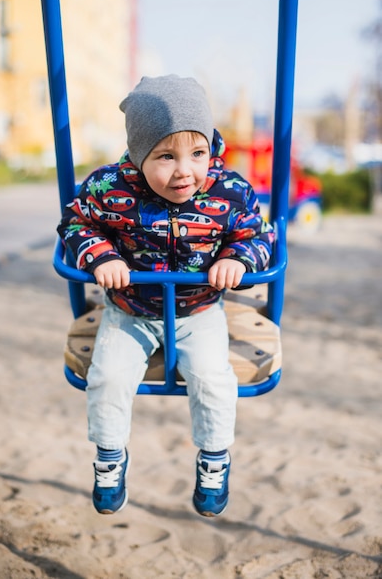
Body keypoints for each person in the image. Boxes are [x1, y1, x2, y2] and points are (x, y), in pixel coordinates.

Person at [57, 74, 274, 517]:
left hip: (198, 308)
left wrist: (239, 258)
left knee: (213, 378)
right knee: (108, 377)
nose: (185, 170)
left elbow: (258, 232)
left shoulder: (228, 190)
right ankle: (109, 457)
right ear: (138, 155)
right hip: (129, 309)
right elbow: (76, 224)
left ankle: (214, 459)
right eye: (165, 156)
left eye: (197, 153)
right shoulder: (109, 188)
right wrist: (100, 257)